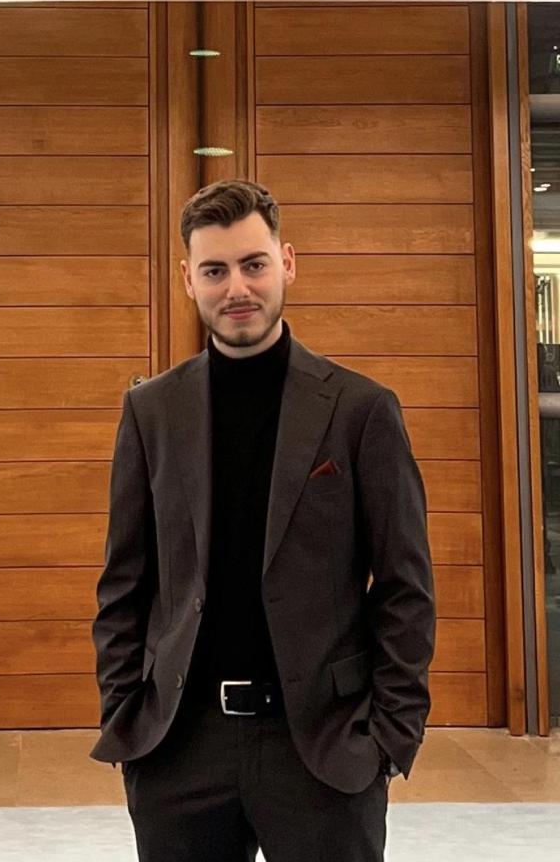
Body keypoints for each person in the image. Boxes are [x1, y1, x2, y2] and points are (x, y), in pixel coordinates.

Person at [91, 179, 436, 862]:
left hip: (322, 750)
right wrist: (127, 716)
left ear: (287, 262)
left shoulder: (361, 410)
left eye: (253, 264)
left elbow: (405, 587)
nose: (236, 288)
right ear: (189, 280)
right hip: (180, 751)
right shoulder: (152, 413)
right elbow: (124, 583)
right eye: (215, 271)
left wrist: (390, 736)